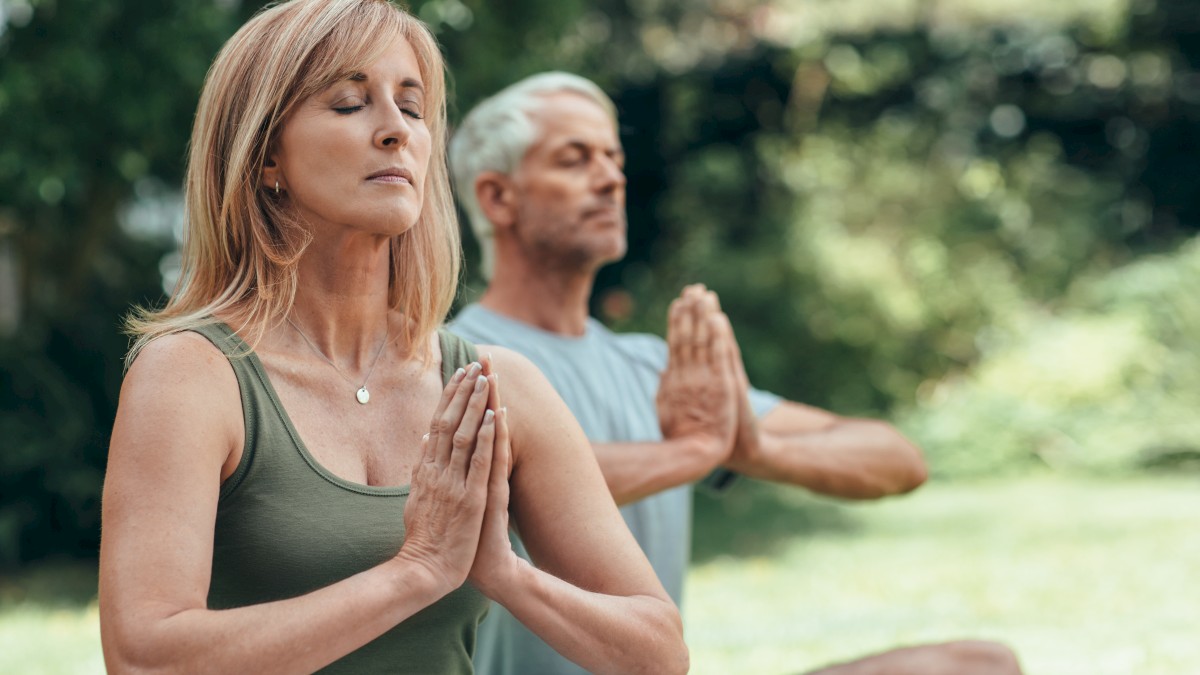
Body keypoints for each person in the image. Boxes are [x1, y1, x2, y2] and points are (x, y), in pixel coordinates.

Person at [98, 6, 689, 674]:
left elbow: (657, 650)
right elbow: (145, 658)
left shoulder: (495, 385)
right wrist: (417, 571)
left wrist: (504, 571)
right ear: (266, 156)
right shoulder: (190, 374)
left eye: (411, 108)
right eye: (350, 103)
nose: (395, 132)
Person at [448, 72, 1023, 674]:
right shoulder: (459, 361)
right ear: (497, 198)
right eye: (575, 159)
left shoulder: (656, 367)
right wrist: (691, 454)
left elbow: (899, 458)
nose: (611, 178)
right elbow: (511, 484)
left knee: (980, 664)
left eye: (614, 158)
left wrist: (752, 448)